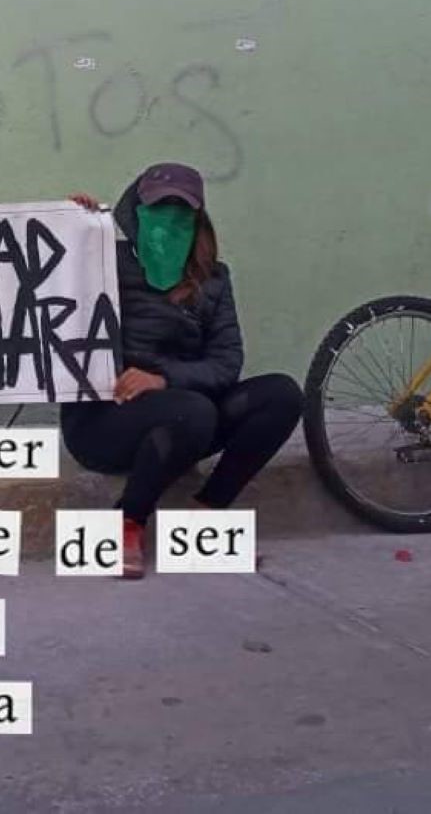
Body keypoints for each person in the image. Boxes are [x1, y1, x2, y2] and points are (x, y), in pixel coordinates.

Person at [64, 163, 302, 579]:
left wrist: (163, 379)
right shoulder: (102, 262)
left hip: (186, 412)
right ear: (134, 212)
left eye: (180, 212)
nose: (167, 222)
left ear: (197, 221)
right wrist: (69, 226)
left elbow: (226, 362)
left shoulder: (214, 279)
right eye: (157, 209)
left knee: (281, 394)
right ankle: (126, 523)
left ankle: (203, 517)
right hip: (105, 421)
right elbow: (47, 280)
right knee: (193, 410)